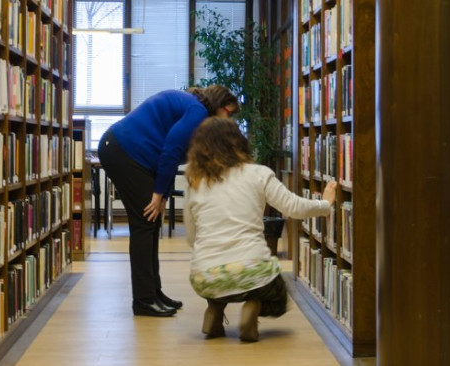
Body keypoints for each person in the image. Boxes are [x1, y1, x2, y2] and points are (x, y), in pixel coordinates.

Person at [183, 117, 336, 341]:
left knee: (221, 272)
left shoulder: (194, 180)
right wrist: (325, 204)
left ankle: (215, 308)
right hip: (252, 270)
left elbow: (191, 236)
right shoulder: (259, 174)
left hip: (204, 278)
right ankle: (252, 307)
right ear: (239, 142)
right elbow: (293, 207)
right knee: (276, 292)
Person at [97, 85, 240, 317]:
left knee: (151, 221)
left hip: (134, 155)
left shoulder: (195, 113)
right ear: (219, 105)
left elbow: (171, 155)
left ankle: (154, 293)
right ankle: (144, 300)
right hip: (122, 151)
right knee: (145, 222)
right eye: (229, 113)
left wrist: (162, 194)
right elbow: (171, 149)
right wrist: (157, 194)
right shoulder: (197, 112)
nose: (230, 120)